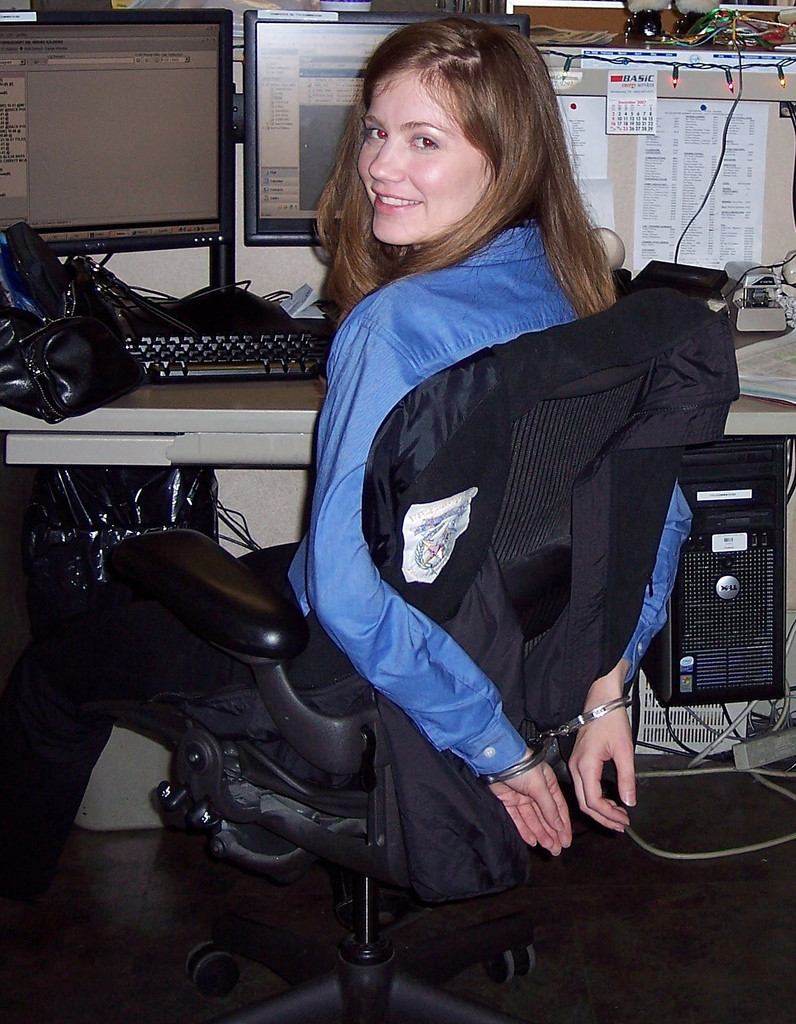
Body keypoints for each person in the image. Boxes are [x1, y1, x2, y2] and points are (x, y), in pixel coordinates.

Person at [0, 18, 690, 901]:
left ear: (506, 159)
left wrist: (499, 751)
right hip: (483, 634)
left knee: (48, 674)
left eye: (424, 141)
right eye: (375, 130)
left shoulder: (395, 330)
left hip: (361, 658)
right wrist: (606, 692)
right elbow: (653, 514)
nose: (378, 166)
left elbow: (346, 594)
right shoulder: (578, 296)